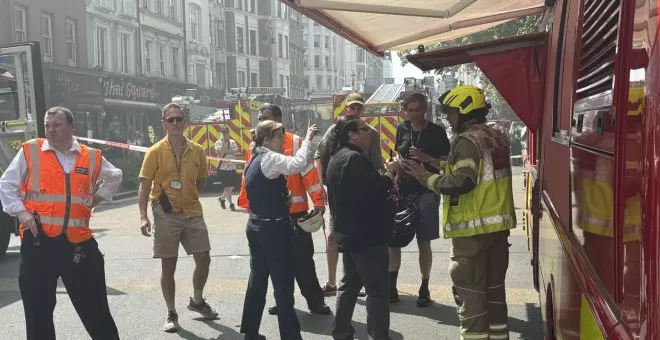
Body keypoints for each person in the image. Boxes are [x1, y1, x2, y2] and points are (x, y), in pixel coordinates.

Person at [400, 85, 516, 340]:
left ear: (464, 111)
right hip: (497, 231)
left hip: (472, 234)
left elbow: (461, 182)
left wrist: (424, 177)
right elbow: (469, 167)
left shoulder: (466, 140)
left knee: (471, 301)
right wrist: (431, 160)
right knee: (495, 296)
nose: (449, 118)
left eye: (451, 113)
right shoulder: (495, 136)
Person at [0, 106, 123, 340]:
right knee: (38, 315)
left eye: (57, 125)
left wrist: (96, 199)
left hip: (79, 244)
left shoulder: (91, 156)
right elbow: (6, 184)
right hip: (39, 244)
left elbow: (115, 176)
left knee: (96, 312)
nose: (51, 130)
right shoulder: (31, 151)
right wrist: (21, 213)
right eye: (47, 125)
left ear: (71, 127)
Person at [237, 103, 331, 315]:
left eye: (265, 118)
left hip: (297, 215)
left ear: (279, 120)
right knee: (278, 266)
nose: (260, 122)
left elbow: (309, 174)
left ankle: (315, 302)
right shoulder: (254, 147)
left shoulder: (296, 142)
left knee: (303, 262)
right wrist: (248, 206)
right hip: (270, 217)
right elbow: (248, 179)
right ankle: (283, 302)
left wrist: (318, 202)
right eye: (259, 118)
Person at [138, 103, 219, 333]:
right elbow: (144, 186)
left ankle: (196, 300)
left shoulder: (197, 150)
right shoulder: (154, 152)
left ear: (186, 123)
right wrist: (144, 217)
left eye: (179, 119)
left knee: (204, 258)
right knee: (168, 265)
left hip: (193, 211)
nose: (175, 123)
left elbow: (202, 181)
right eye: (170, 119)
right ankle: (172, 312)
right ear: (164, 123)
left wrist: (188, 194)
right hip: (165, 214)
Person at [326, 116, 396, 340]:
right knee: (377, 291)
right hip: (367, 236)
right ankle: (379, 335)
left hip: (349, 234)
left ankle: (341, 331)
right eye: (364, 130)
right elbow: (375, 190)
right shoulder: (354, 159)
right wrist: (390, 173)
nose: (370, 133)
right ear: (352, 135)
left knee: (350, 285)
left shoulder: (337, 158)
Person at [313, 92, 382, 296]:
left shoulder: (370, 133)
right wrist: (320, 188)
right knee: (333, 236)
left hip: (361, 194)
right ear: (346, 109)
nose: (355, 111)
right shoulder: (334, 130)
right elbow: (319, 157)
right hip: (336, 192)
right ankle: (332, 282)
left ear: (363, 110)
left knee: (356, 237)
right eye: (352, 107)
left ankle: (354, 282)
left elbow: (376, 162)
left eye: (358, 108)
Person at [388, 92, 450, 306]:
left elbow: (448, 162)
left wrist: (427, 160)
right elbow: (399, 153)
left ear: (425, 110)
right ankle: (391, 286)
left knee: (424, 242)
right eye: (410, 110)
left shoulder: (437, 132)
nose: (415, 115)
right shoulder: (402, 128)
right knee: (393, 240)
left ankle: (424, 287)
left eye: (419, 110)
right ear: (405, 110)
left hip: (427, 191)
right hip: (403, 191)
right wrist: (396, 166)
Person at [214, 125, 241, 211]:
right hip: (222, 168)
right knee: (227, 186)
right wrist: (223, 143)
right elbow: (220, 153)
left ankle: (222, 198)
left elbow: (236, 151)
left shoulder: (232, 142)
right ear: (220, 133)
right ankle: (231, 204)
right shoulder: (218, 143)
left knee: (232, 186)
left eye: (226, 132)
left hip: (232, 166)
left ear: (228, 133)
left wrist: (228, 151)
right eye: (223, 132)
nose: (225, 134)